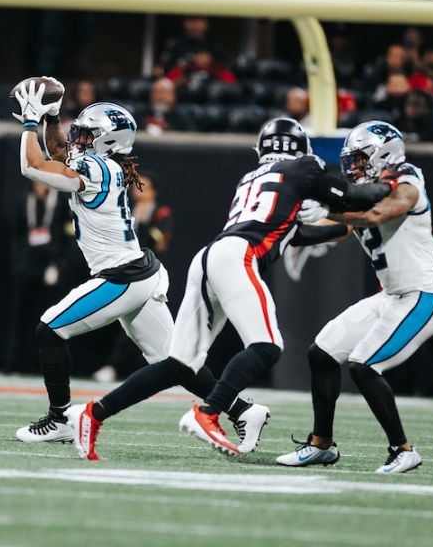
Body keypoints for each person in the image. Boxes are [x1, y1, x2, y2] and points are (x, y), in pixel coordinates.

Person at [67, 118, 391, 460]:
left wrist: (339, 221)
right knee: (267, 346)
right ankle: (208, 413)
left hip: (211, 256)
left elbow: (298, 234)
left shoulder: (252, 178)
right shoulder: (305, 166)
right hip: (239, 256)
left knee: (181, 364)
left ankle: (93, 414)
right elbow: (355, 195)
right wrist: (387, 186)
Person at [10, 79, 265, 451]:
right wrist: (50, 117)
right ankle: (243, 410)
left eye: (85, 134)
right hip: (137, 273)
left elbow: (34, 167)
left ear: (106, 141)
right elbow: (56, 151)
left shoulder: (98, 168)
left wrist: (31, 122)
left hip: (122, 277)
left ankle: (61, 418)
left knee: (49, 331)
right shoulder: (101, 164)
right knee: (176, 362)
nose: (76, 139)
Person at [274, 121, 433, 475]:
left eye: (360, 159)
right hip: (390, 297)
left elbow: (380, 213)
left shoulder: (408, 180)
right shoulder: (365, 193)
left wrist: (328, 209)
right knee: (321, 353)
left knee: (364, 365)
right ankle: (321, 444)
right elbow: (335, 231)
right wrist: (280, 229)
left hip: (421, 296)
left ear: (384, 154)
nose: (354, 168)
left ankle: (403, 449)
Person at [93, 170, 176, 382]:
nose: (138, 190)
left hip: (149, 272)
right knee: (122, 321)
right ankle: (116, 366)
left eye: (144, 186)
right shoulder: (126, 209)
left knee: (145, 323)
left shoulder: (160, 212)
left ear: (154, 191)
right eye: (136, 185)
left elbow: (161, 242)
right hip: (124, 269)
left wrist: (144, 224)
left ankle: (163, 366)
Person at [5, 181, 74, 373]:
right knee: (19, 314)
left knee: (48, 316)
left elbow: (69, 233)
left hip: (49, 266)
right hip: (26, 264)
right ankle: (13, 362)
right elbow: (16, 233)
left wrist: (59, 264)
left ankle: (42, 364)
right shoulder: (24, 200)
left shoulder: (60, 202)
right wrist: (17, 261)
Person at [158, 16, 227, 74]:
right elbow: (162, 68)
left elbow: (227, 68)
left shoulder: (213, 44)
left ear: (206, 23)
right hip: (180, 83)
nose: (195, 26)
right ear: (184, 22)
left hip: (209, 84)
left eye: (198, 21)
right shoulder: (174, 43)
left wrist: (211, 61)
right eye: (191, 20)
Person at [164, 48, 237, 86]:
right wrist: (177, 83)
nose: (201, 59)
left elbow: (232, 86)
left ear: (211, 57)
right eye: (198, 55)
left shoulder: (219, 71)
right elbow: (164, 84)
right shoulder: (183, 70)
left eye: (204, 56)